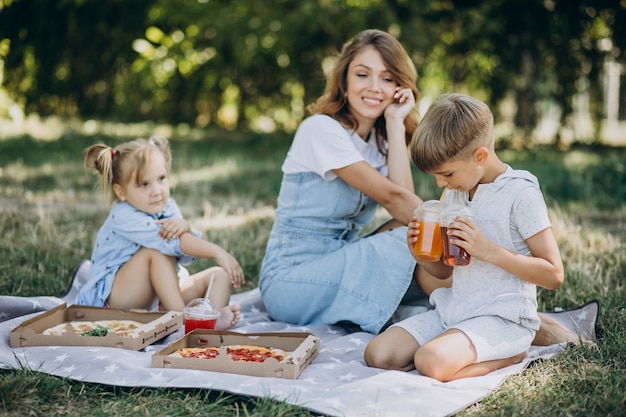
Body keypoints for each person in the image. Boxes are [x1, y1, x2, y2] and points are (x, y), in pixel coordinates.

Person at [364, 93, 567, 381]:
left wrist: (490, 251)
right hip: (455, 312)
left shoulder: (520, 194)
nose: (439, 184)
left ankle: (514, 353)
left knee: (429, 363)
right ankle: (455, 349)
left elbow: (554, 275)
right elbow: (446, 272)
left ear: (480, 156)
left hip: (503, 319)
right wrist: (421, 255)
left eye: (446, 174)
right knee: (378, 354)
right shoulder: (456, 192)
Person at [258, 29, 425, 334]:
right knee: (413, 242)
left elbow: (403, 210)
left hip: (342, 264)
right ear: (344, 80)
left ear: (399, 87)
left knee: (412, 238)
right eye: (363, 75)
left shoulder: (380, 142)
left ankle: (469, 310)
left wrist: (396, 122)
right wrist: (453, 228)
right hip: (292, 282)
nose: (375, 88)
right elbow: (395, 200)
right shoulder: (320, 129)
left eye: (387, 79)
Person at [74, 136, 245, 330]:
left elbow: (183, 254)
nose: (157, 191)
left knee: (219, 275)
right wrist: (217, 251)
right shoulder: (123, 216)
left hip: (159, 299)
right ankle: (184, 323)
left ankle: (209, 323)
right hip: (117, 302)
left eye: (161, 179)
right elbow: (170, 243)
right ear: (121, 192)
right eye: (144, 184)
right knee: (155, 252)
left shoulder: (168, 206)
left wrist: (185, 227)